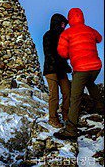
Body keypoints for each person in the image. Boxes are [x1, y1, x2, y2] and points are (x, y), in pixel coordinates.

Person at [54, 8, 104, 140]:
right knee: (90, 82)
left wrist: (73, 52)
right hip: (96, 67)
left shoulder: (67, 33)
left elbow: (62, 53)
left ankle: (70, 130)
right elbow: (99, 38)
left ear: (70, 19)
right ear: (82, 17)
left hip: (81, 69)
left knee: (75, 98)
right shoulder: (89, 29)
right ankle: (100, 107)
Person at [43, 13, 72, 128]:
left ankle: (65, 114)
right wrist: (62, 64)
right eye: (62, 23)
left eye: (64, 24)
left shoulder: (64, 36)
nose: (64, 26)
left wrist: (66, 64)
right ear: (57, 23)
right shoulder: (48, 35)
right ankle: (53, 118)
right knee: (54, 95)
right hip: (51, 69)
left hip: (61, 69)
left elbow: (65, 53)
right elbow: (49, 53)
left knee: (67, 92)